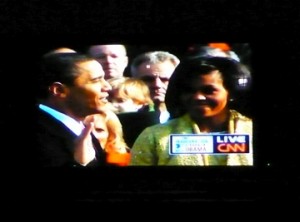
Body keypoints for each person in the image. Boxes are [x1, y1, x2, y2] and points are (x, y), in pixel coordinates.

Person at [129, 56, 253, 166]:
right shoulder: (154, 137)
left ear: (230, 92)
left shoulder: (251, 131)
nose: (198, 97)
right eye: (189, 90)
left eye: (208, 90)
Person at [32, 51, 112, 167]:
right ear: (59, 90)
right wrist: (80, 164)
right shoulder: (41, 134)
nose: (107, 87)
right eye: (96, 80)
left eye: (104, 79)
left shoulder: (82, 127)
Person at [130, 51, 180, 123]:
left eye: (165, 79)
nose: (157, 85)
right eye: (148, 79)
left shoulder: (192, 115)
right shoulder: (122, 118)